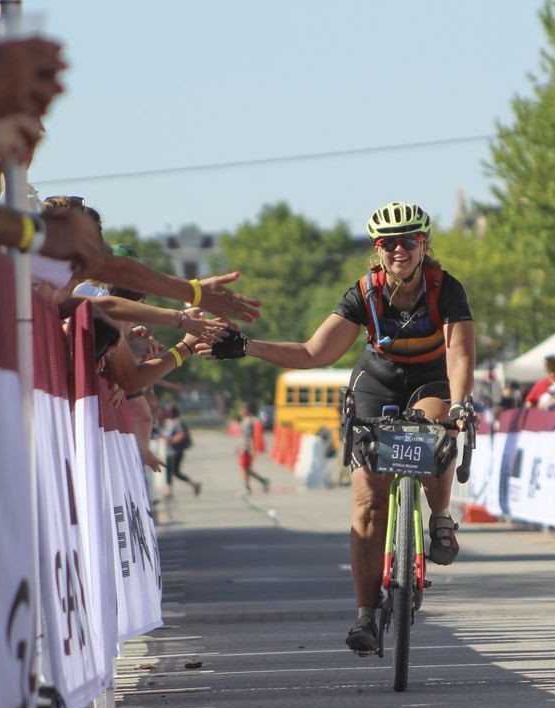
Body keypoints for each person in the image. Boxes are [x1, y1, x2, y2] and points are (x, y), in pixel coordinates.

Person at [198, 201, 475, 654]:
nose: (399, 250)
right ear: (377, 249)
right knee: (368, 505)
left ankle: (440, 518)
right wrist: (246, 346)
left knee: (434, 426)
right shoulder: (365, 292)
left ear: (424, 244)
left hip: (430, 379)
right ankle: (365, 614)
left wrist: (460, 404)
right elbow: (312, 354)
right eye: (388, 243)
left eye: (409, 241)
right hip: (377, 382)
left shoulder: (446, 289)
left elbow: (460, 355)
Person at [159, 404, 202, 499]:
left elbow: (182, 433)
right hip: (169, 451)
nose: (166, 412)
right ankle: (169, 491)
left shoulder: (178, 421)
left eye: (168, 410)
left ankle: (194, 484)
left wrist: (171, 440)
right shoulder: (169, 421)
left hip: (176, 451)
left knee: (175, 472)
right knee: (169, 472)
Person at [236, 402, 271, 495]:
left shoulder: (250, 421)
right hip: (243, 447)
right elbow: (243, 436)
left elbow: (251, 436)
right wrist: (238, 446)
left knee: (244, 468)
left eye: (242, 410)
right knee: (245, 468)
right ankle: (262, 481)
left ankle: (247, 487)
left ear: (247, 411)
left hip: (248, 448)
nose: (240, 411)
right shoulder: (244, 421)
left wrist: (252, 448)